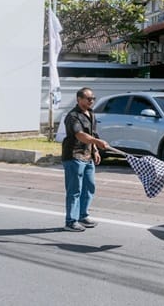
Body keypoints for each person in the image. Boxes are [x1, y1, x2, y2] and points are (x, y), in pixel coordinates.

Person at [62, 87, 108, 232]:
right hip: (74, 156)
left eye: (93, 98)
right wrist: (97, 142)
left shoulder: (91, 113)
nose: (91, 101)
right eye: (88, 98)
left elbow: (92, 132)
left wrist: (95, 150)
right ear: (79, 99)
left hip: (88, 157)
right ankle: (70, 221)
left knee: (89, 187)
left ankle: (83, 215)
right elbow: (80, 135)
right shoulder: (73, 116)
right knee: (75, 189)